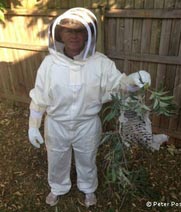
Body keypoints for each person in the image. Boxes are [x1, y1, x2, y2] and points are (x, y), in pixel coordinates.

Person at [28, 7, 151, 207]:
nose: (74, 35)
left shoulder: (100, 63)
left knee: (87, 158)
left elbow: (119, 87)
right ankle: (57, 188)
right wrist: (33, 125)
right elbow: (39, 97)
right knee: (56, 158)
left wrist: (134, 81)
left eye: (79, 31)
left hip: (87, 124)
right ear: (59, 34)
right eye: (69, 30)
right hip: (56, 124)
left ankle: (88, 189)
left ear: (87, 33)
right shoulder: (49, 64)